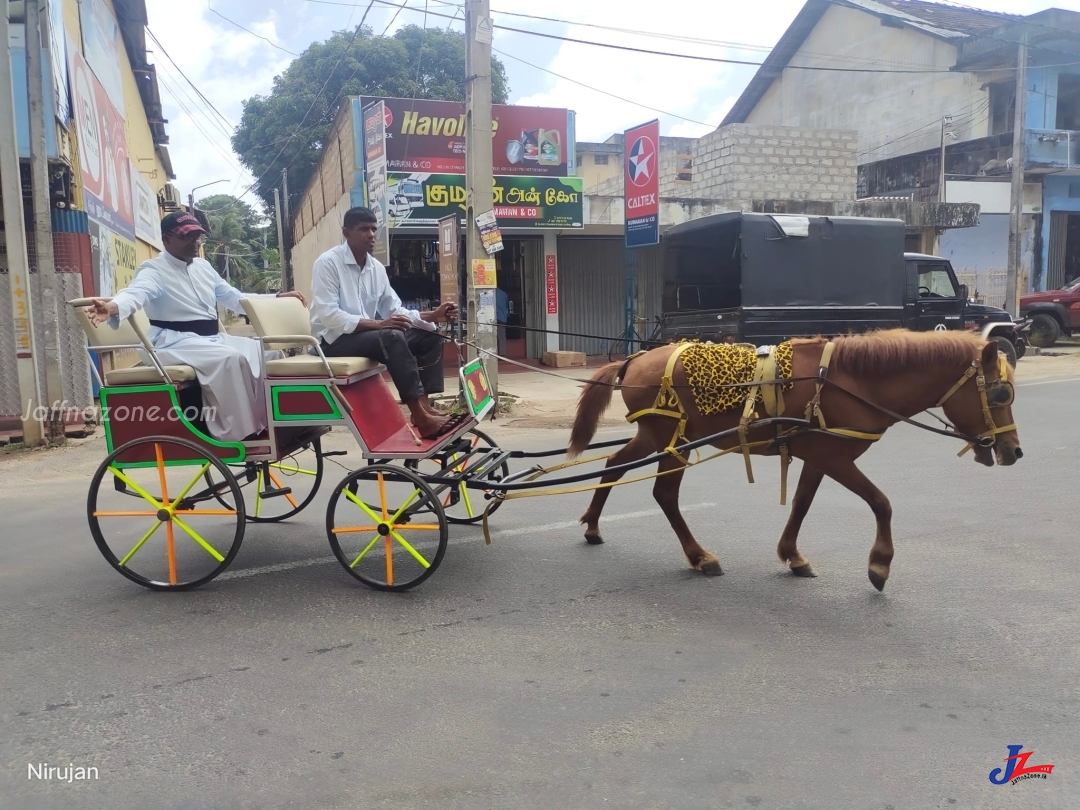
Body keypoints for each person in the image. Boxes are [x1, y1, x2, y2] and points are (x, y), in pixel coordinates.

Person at [84, 211, 306, 442]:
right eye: (187, 236)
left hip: (209, 340)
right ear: (167, 239)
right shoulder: (153, 270)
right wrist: (112, 307)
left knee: (267, 354)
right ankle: (239, 434)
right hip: (173, 341)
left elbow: (235, 298)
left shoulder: (203, 267)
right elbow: (136, 293)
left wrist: (277, 297)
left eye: (197, 236)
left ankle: (266, 423)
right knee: (230, 359)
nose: (195, 242)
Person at [309, 206, 457, 438]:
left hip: (363, 336)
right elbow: (329, 315)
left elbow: (394, 310)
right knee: (391, 335)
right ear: (346, 233)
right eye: (363, 229)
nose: (370, 234)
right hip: (331, 341)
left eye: (373, 229)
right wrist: (380, 325)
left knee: (429, 334)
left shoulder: (376, 268)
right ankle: (419, 414)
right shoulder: (327, 263)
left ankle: (425, 408)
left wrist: (432, 316)